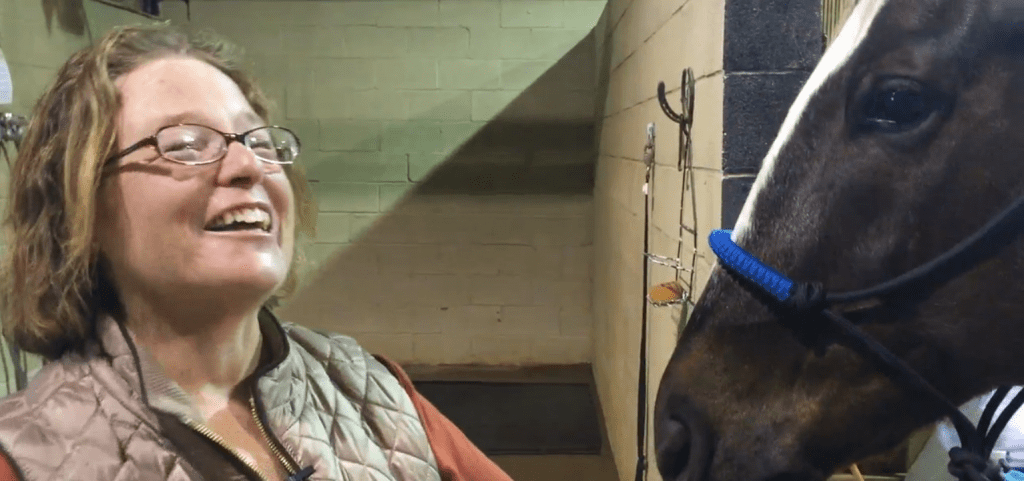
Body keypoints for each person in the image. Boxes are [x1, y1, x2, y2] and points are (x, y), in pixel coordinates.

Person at [0, 22, 514, 481]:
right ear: (82, 209)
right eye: (185, 144)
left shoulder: (376, 396)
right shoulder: (25, 457)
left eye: (260, 141)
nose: (249, 165)